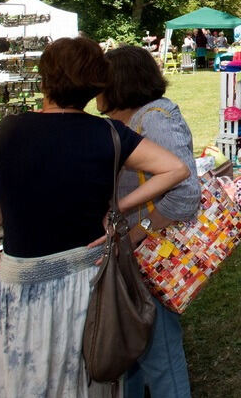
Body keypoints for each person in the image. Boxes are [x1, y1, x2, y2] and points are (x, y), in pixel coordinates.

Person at [0, 37, 189, 397]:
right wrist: (117, 209)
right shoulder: (108, 134)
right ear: (95, 86)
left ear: (44, 80)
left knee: (22, 379)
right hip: (86, 282)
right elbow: (174, 169)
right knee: (83, 377)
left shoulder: (4, 132)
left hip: (22, 286)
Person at [97, 46, 201, 398]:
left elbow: (186, 192)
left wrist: (141, 232)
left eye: (101, 80)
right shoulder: (129, 120)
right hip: (135, 252)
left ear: (118, 83)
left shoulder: (154, 118)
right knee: (139, 350)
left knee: (161, 353)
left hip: (152, 253)